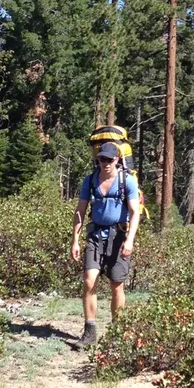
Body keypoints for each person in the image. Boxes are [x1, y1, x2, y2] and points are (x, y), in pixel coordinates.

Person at [70, 142, 141, 348]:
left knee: (116, 285)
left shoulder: (126, 181)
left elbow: (135, 213)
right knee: (89, 280)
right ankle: (90, 331)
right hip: (95, 235)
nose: (106, 164)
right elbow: (80, 211)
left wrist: (130, 240)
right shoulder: (90, 181)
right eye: (102, 159)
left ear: (117, 160)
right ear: (98, 160)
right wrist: (75, 239)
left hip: (118, 236)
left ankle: (117, 332)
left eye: (109, 160)